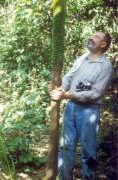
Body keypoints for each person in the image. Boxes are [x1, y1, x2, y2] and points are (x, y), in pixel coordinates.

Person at [49, 32, 113, 180]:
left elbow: (96, 93)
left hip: (89, 111)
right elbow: (68, 77)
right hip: (71, 108)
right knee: (66, 147)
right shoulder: (82, 58)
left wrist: (68, 95)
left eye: (96, 37)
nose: (91, 37)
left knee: (88, 152)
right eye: (92, 35)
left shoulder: (105, 65)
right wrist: (59, 89)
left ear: (103, 44)